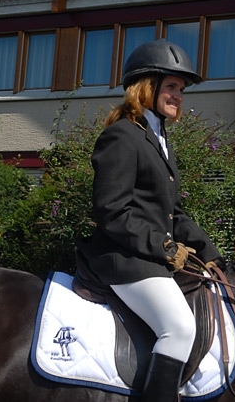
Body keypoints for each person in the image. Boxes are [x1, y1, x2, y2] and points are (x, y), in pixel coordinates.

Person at [74, 38, 223, 402]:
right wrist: (164, 247)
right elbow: (111, 210)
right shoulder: (122, 135)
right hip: (123, 258)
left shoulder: (157, 139)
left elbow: (174, 212)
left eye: (181, 89)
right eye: (171, 87)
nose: (178, 96)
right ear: (147, 87)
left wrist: (213, 256)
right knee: (179, 327)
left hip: (149, 256)